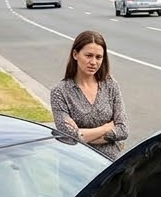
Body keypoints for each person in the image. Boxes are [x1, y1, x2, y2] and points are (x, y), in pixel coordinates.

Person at [50, 30, 129, 160]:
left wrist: (82, 134)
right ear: (75, 54)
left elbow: (123, 130)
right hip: (76, 163)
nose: (93, 62)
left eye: (98, 57)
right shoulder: (59, 92)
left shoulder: (111, 86)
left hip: (108, 163)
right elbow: (68, 135)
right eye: (88, 55)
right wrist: (106, 128)